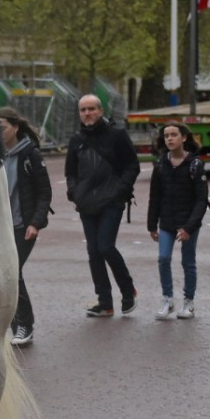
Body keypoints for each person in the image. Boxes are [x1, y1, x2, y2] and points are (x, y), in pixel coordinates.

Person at [65, 94, 139, 317]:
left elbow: (132, 166)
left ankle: (128, 290)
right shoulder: (76, 140)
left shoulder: (117, 135)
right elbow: (71, 172)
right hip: (86, 203)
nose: (87, 113)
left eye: (91, 109)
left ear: (101, 110)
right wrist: (74, 193)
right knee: (93, 252)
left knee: (105, 246)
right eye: (83, 110)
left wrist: (120, 191)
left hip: (112, 202)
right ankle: (105, 302)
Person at [0, 106, 50, 346]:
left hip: (22, 226)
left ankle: (24, 326)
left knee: (12, 273)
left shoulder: (30, 154)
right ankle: (14, 324)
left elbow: (44, 192)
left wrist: (35, 223)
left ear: (15, 127)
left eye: (3, 127)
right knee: (2, 275)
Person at [146, 122, 206, 320]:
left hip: (189, 222)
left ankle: (188, 302)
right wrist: (151, 225)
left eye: (174, 135)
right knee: (163, 258)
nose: (169, 139)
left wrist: (189, 227)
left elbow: (201, 201)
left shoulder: (195, 165)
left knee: (188, 261)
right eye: (166, 136)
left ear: (184, 138)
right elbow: (154, 196)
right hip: (167, 221)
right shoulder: (161, 164)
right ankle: (167, 300)